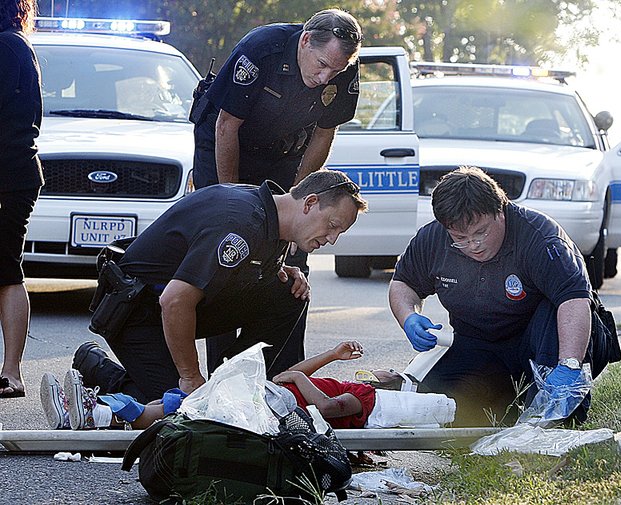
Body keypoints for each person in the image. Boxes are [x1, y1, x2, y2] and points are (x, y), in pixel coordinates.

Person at [70, 170, 367, 405]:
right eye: (332, 225)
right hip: (137, 314)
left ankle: (235, 383)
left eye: (339, 231)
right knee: (183, 408)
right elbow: (175, 300)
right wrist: (190, 377)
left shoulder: (273, 217)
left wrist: (279, 269)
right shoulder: (240, 223)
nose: (332, 239)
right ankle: (96, 366)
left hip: (175, 307)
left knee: (290, 290)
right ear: (310, 202)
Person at [191, 8, 363, 377]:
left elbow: (323, 134)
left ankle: (284, 375)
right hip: (225, 144)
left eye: (335, 70)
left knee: (294, 255)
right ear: (304, 41)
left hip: (283, 152)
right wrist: (234, 201)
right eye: (320, 65)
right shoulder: (261, 49)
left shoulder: (342, 67)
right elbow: (226, 126)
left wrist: (300, 196)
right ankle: (223, 376)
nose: (324, 77)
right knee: (230, 248)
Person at [389, 166, 621, 426]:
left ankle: (558, 410)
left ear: (501, 210)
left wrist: (568, 364)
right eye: (460, 238)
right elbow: (402, 284)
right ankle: (504, 405)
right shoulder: (432, 239)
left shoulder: (540, 237)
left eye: (481, 233)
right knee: (438, 406)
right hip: (481, 344)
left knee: (552, 311)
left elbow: (575, 300)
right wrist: (409, 317)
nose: (473, 245)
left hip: (546, 342)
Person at [42, 341, 397, 431]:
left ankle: (95, 412)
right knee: (178, 403)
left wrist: (300, 379)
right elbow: (293, 372)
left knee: (180, 407)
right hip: (264, 398)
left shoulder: (365, 397)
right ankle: (93, 410)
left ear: (388, 387)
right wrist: (331, 355)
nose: (378, 372)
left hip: (267, 411)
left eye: (389, 373)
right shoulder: (342, 384)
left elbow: (330, 408)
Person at [0, 0, 44, 398]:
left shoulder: (7, 46)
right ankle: (10, 372)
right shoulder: (16, 44)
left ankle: (12, 373)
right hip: (16, 171)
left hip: (8, 173)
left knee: (7, 269)